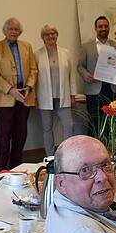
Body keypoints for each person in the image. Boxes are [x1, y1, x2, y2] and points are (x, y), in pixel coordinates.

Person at [0, 18, 38, 171]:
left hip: (25, 95)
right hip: (6, 97)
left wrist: (29, 87)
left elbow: (33, 70)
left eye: (16, 29)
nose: (13, 32)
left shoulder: (27, 46)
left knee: (21, 134)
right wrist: (11, 90)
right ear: (5, 31)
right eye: (11, 29)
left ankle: (16, 167)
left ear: (20, 32)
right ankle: (1, 169)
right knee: (5, 135)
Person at [78, 16, 116, 136]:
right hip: (94, 89)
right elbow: (80, 66)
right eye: (100, 26)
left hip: (112, 89)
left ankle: (110, 149)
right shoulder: (86, 46)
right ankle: (94, 151)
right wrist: (86, 75)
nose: (103, 29)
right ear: (96, 28)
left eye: (106, 26)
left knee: (112, 121)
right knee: (94, 122)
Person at [35, 24, 77, 156]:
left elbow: (71, 75)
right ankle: (50, 156)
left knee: (68, 125)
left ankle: (66, 155)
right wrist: (34, 97)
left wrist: (72, 95)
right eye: (47, 34)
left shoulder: (65, 53)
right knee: (47, 128)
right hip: (44, 96)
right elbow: (34, 77)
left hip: (63, 95)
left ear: (57, 35)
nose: (50, 36)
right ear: (42, 37)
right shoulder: (37, 54)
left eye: (53, 33)